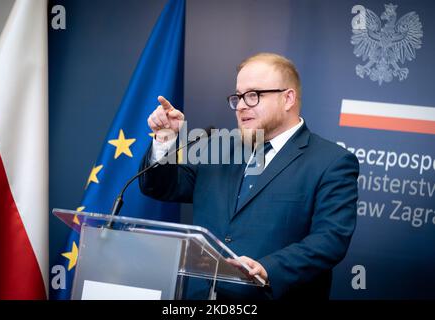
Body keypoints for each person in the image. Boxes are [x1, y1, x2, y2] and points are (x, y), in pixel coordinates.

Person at [139, 52, 359, 299]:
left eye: (253, 95)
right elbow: (160, 187)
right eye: (238, 96)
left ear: (288, 99)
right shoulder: (215, 146)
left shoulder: (331, 162)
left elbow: (330, 239)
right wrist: (164, 139)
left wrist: (268, 269)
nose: (242, 105)